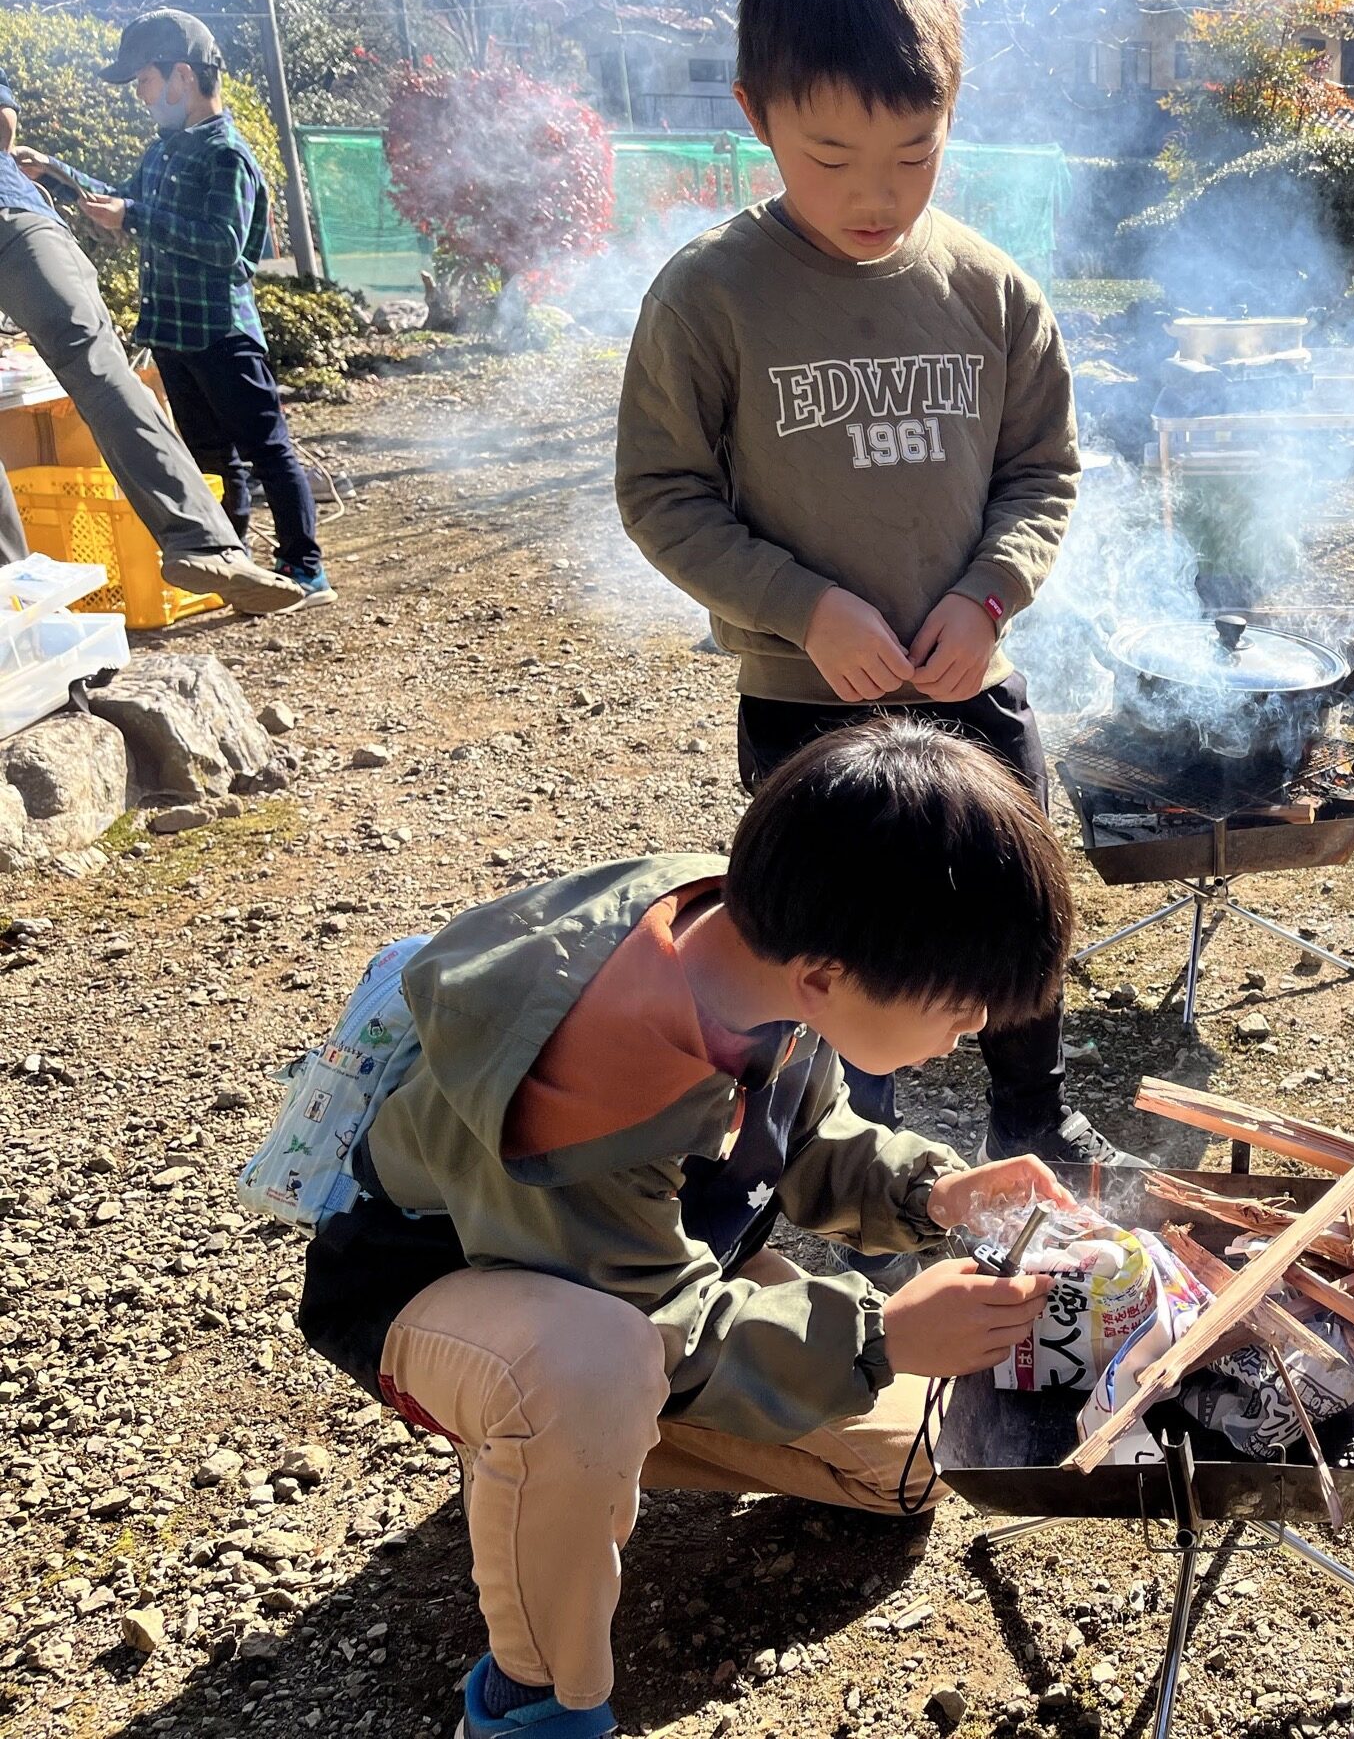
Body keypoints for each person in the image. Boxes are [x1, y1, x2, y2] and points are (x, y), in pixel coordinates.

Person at [295, 721, 1075, 1739]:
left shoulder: (767, 936)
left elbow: (806, 1133)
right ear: (829, 979)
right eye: (961, 1007)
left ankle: (572, 1463)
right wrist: (880, 1335)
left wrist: (933, 1195)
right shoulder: (589, 1088)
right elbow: (649, 1320)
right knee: (590, 1369)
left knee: (916, 1461)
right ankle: (537, 1700)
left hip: (647, 1267)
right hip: (448, 1285)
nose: (970, 1032)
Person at [616, 0, 1133, 1171]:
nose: (875, 193)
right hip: (810, 697)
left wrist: (989, 595)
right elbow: (662, 494)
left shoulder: (990, 290)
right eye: (829, 156)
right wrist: (803, 608)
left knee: (1010, 911)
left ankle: (1033, 1113)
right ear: (755, 117)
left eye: (914, 154)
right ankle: (853, 1157)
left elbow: (1043, 472)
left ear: (951, 114)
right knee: (841, 949)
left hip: (968, 678)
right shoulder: (710, 297)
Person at [17, 11, 335, 606]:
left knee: (267, 451)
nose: (140, 95)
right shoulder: (165, 150)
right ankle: (232, 568)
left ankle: (304, 569)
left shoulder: (227, 155)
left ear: (181, 76)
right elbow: (125, 199)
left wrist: (135, 218)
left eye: (142, 81)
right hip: (174, 335)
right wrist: (56, 174)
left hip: (222, 335)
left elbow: (223, 246)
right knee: (212, 460)